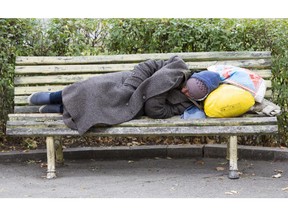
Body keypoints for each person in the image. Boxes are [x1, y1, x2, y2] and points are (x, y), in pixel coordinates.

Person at [27, 56, 221, 135]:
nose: (185, 92)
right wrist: (132, 85)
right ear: (191, 78)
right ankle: (56, 96)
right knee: (93, 87)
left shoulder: (186, 104)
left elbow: (159, 111)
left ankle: (62, 109)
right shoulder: (176, 66)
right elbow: (147, 66)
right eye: (187, 87)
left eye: (190, 94)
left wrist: (157, 98)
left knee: (103, 112)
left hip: (135, 106)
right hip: (128, 82)